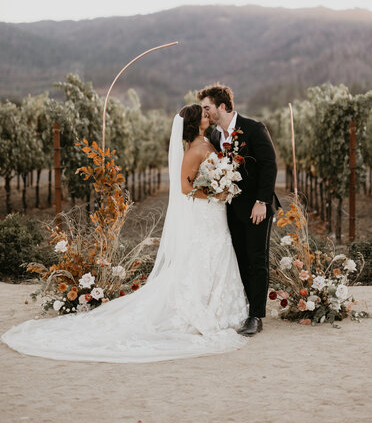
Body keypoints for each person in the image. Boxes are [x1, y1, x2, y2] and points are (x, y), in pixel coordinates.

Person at [1, 105, 248, 363]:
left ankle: (221, 306)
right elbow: (186, 187)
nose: (207, 115)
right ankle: (203, 308)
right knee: (203, 254)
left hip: (215, 213)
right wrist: (215, 192)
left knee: (218, 251)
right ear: (195, 122)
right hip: (205, 211)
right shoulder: (193, 150)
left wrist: (224, 184)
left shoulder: (210, 141)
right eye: (203, 114)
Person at [198, 84, 278, 336]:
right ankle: (244, 308)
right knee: (239, 259)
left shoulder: (254, 128)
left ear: (222, 106)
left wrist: (262, 202)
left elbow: (269, 165)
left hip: (257, 207)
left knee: (257, 259)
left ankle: (256, 316)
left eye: (207, 107)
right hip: (229, 209)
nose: (205, 112)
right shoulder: (214, 137)